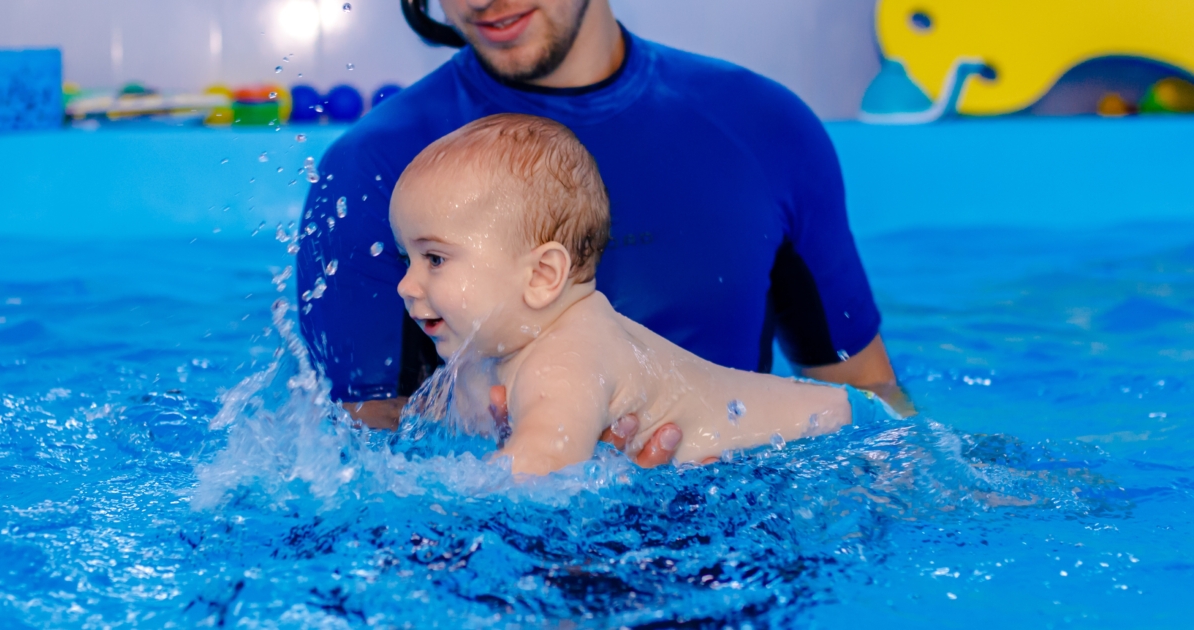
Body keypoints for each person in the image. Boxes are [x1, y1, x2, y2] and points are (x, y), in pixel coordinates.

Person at [298, 0, 910, 467]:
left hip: (741, 543)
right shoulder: (375, 170)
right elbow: (363, 455)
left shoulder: (765, 129)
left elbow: (870, 400)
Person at [391, 113, 853, 474]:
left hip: (827, 438)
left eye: (434, 259)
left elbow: (541, 471)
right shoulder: (490, 356)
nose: (406, 285)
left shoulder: (568, 357)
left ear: (542, 275)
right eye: (404, 258)